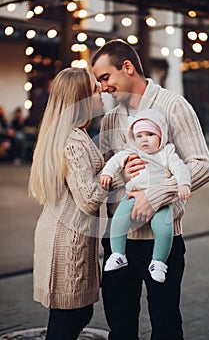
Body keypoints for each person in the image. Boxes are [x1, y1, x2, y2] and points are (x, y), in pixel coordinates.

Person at [91, 39, 209, 340]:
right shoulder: (111, 120)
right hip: (118, 241)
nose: (103, 87)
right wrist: (120, 179)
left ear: (128, 67)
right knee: (119, 329)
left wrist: (155, 194)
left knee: (166, 327)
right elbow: (107, 176)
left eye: (105, 77)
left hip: (163, 240)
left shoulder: (174, 105)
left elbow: (202, 165)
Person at [28, 67, 107, 340]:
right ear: (81, 99)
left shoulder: (67, 134)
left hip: (61, 234)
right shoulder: (74, 141)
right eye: (96, 90)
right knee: (71, 317)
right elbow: (88, 199)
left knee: (70, 316)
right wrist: (113, 174)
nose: (101, 94)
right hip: (68, 241)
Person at [100, 109, 191, 283]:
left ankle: (158, 262)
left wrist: (183, 184)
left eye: (150, 134)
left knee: (164, 230)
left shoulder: (166, 153)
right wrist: (107, 174)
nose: (144, 140)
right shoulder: (131, 152)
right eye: (140, 136)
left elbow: (180, 168)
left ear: (161, 136)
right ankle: (118, 254)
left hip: (161, 201)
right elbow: (115, 161)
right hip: (133, 196)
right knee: (119, 219)